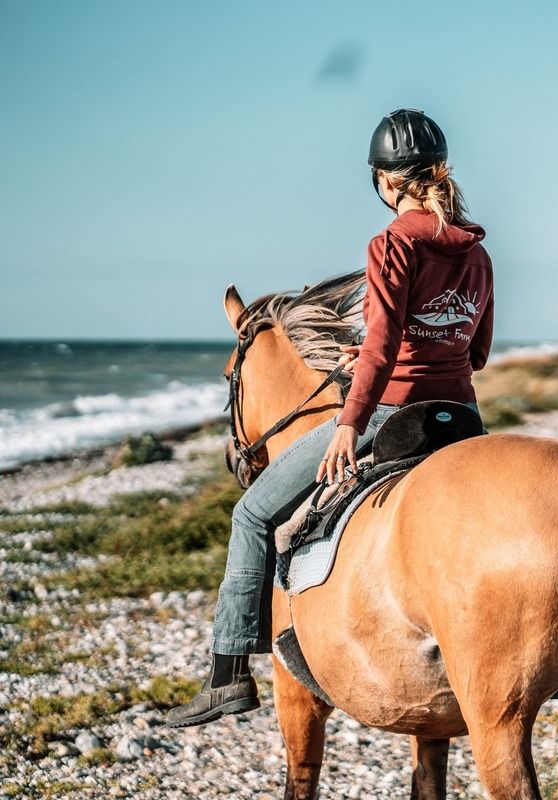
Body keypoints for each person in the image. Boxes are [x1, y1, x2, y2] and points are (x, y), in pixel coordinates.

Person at [166, 109, 494, 727]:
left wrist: (348, 422)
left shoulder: (392, 243)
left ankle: (229, 673)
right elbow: (472, 351)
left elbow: (383, 349)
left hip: (394, 414)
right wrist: (394, 344)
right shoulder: (477, 252)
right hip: (462, 417)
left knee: (253, 513)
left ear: (386, 181)